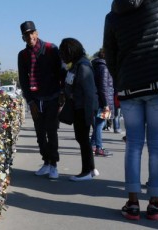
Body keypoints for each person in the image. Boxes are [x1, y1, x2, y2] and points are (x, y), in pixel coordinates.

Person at [104, 0, 158, 220]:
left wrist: (121, 79)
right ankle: (155, 203)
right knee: (157, 146)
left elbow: (110, 56)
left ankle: (132, 203)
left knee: (133, 145)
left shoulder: (112, 16)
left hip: (129, 87)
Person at [17, 21, 67, 179]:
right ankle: (46, 161)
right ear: (23, 37)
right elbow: (24, 81)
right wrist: (30, 102)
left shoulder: (51, 49)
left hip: (52, 96)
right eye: (26, 34)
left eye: (32, 33)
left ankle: (54, 164)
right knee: (39, 134)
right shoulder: (23, 55)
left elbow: (62, 72)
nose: (30, 36)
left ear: (37, 33)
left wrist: (62, 94)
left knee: (51, 131)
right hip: (36, 98)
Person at [59, 38, 99, 181]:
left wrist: (89, 115)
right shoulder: (77, 65)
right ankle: (92, 169)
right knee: (83, 139)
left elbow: (89, 93)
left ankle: (86, 171)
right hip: (80, 107)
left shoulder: (83, 66)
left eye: (64, 53)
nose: (63, 56)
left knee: (82, 139)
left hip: (83, 108)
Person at [90, 48, 114, 157]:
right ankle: (99, 147)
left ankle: (93, 145)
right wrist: (106, 105)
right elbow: (104, 87)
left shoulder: (96, 66)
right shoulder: (104, 68)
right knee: (100, 124)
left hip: (99, 100)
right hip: (104, 101)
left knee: (100, 123)